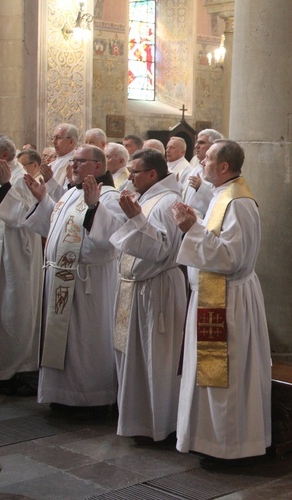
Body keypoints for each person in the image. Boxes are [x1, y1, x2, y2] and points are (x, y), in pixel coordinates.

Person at [1, 144, 126, 417]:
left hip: (87, 285)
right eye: (74, 162)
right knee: (64, 343)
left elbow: (113, 240)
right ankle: (62, 394)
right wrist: (43, 200)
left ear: (98, 167)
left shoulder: (110, 197)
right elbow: (55, 227)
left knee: (84, 342)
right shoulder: (72, 193)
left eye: (80, 162)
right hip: (60, 279)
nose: (73, 166)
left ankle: (89, 399)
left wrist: (94, 208)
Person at [172, 139, 271, 470]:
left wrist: (192, 229)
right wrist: (195, 224)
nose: (201, 163)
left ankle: (231, 448)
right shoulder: (221, 195)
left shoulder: (239, 202)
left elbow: (231, 258)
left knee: (228, 379)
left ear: (224, 167)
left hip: (229, 302)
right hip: (212, 297)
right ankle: (210, 441)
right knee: (211, 376)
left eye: (208, 159)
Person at [91, 149, 186, 444]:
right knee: (134, 358)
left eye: (134, 172)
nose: (128, 178)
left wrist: (136, 220)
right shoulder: (145, 198)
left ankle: (160, 425)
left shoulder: (168, 201)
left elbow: (160, 249)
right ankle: (138, 421)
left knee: (156, 360)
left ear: (153, 174)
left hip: (157, 289)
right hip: (136, 287)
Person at [0, 134, 42, 396]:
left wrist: (4, 187)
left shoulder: (19, 177)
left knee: (12, 312)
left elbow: (23, 217)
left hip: (13, 262)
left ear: (3, 155)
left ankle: (13, 371)